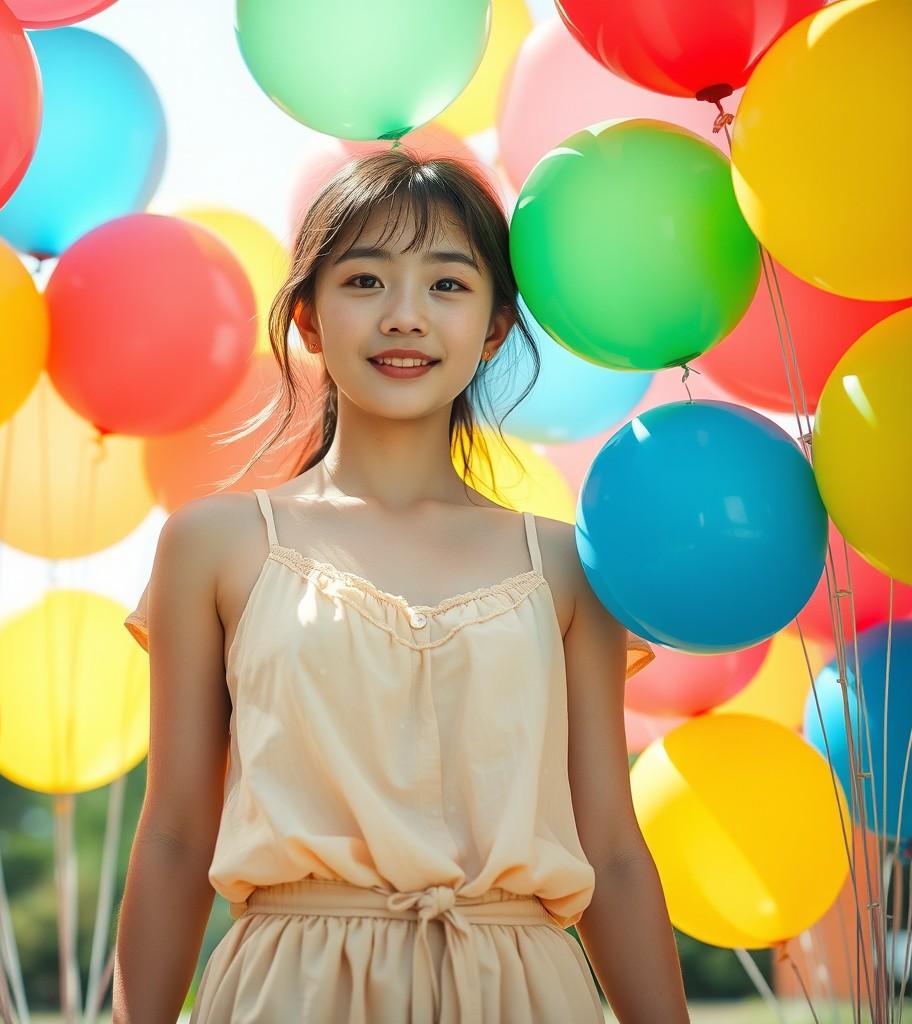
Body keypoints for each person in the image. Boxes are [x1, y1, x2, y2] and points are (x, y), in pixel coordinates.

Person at [111, 149, 689, 1023]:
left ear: (495, 327)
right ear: (307, 317)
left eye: (449, 285)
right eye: (366, 280)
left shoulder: (568, 563)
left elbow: (609, 848)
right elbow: (174, 836)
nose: (406, 317)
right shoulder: (215, 544)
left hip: (525, 994)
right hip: (289, 992)